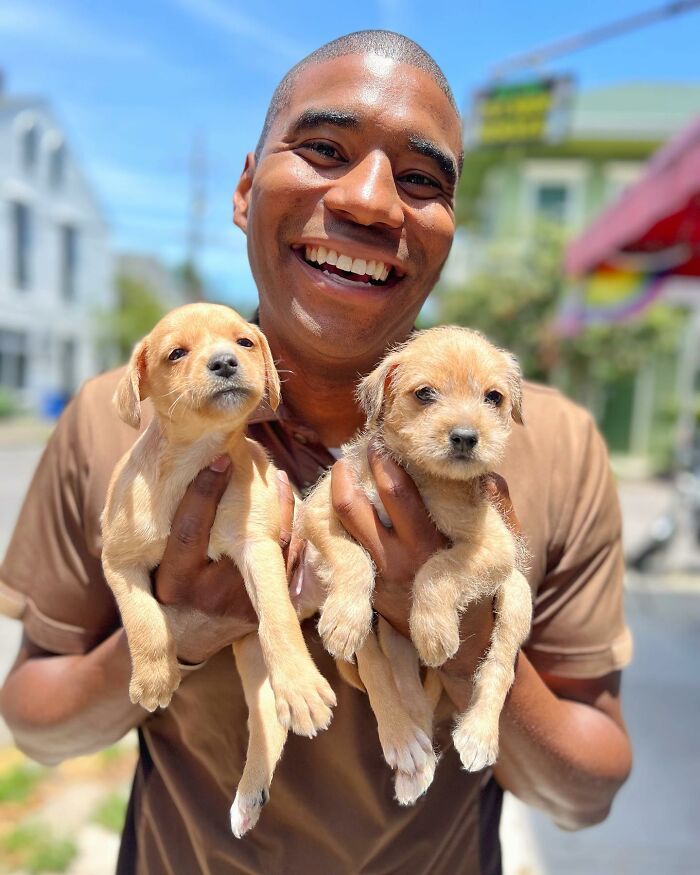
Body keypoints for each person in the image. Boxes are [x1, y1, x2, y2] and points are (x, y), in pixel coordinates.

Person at [0, 30, 632, 875]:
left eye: (421, 179)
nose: (372, 200)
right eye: (325, 148)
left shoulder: (551, 443)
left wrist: (468, 628)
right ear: (244, 188)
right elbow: (39, 725)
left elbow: (583, 794)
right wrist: (177, 629)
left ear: (448, 230)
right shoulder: (121, 420)